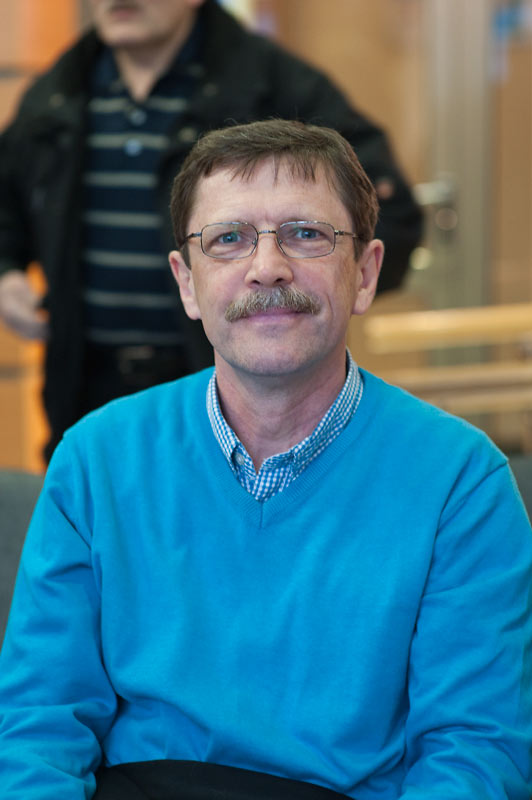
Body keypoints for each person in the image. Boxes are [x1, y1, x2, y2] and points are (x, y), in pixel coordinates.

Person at [0, 118, 530, 799]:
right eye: (229, 239)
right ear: (187, 282)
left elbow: (475, 754)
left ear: (365, 273)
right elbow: (37, 730)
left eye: (306, 234)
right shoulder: (95, 461)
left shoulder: (462, 483)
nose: (268, 266)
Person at [0, 0, 423, 461]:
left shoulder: (272, 86)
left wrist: (299, 304)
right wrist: (6, 271)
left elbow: (390, 215)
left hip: (231, 395)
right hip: (86, 385)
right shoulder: (58, 93)